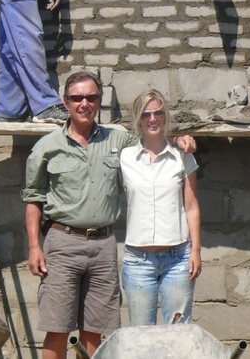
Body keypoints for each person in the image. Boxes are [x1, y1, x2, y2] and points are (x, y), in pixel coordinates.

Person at [22, 71, 196, 359]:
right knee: (57, 326)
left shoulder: (120, 140)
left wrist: (180, 138)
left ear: (99, 101)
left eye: (91, 97)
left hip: (103, 245)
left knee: (96, 327)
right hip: (62, 243)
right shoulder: (47, 146)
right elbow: (33, 199)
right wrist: (33, 247)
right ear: (66, 103)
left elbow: (151, 135)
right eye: (77, 98)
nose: (84, 104)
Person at [120, 89, 201, 326]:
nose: (152, 119)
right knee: (141, 334)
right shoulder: (125, 157)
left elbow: (192, 205)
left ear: (165, 116)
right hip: (138, 260)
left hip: (177, 258)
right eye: (146, 114)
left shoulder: (182, 156)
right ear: (138, 119)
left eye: (158, 113)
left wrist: (196, 250)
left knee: (177, 332)